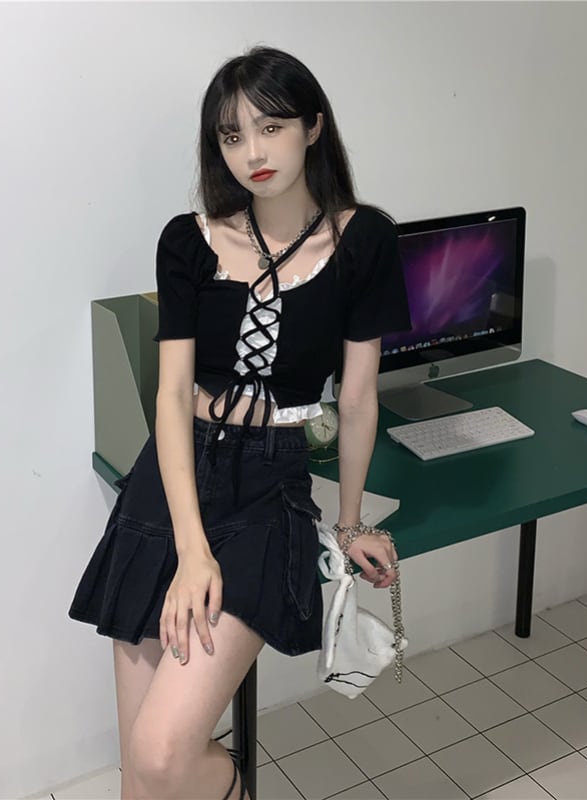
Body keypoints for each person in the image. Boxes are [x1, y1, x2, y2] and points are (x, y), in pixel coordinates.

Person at [69, 46, 411, 800]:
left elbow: (358, 399)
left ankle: (232, 786)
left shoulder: (364, 241)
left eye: (271, 127)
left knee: (163, 755)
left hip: (268, 483)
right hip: (171, 479)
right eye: (231, 136)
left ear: (313, 127)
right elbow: (170, 395)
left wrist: (349, 524)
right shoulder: (189, 240)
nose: (252, 152)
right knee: (140, 773)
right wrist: (192, 550)